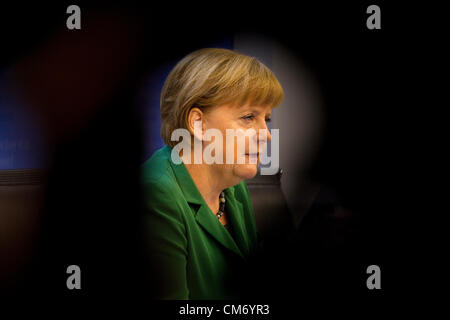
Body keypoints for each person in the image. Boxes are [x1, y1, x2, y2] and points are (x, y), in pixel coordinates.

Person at [141, 48, 284, 299]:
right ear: (198, 124)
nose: (266, 134)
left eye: (266, 119)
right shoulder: (155, 194)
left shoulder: (231, 184)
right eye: (249, 117)